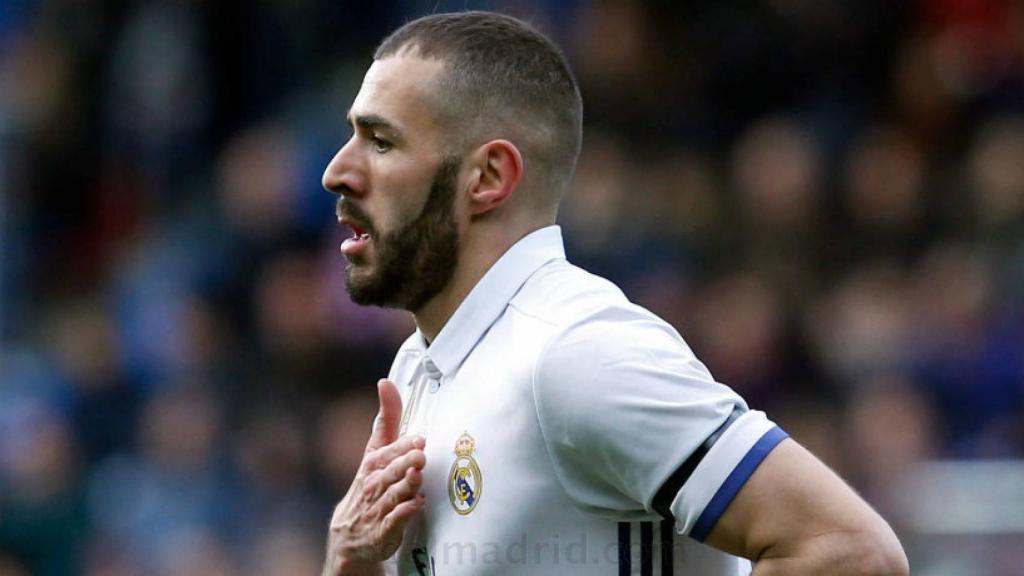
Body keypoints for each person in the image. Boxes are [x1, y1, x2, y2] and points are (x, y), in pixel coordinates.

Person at [320, 11, 908, 576]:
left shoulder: (575, 351)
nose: (337, 171)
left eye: (380, 141)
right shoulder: (418, 369)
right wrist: (353, 560)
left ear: (489, 177)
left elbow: (847, 549)